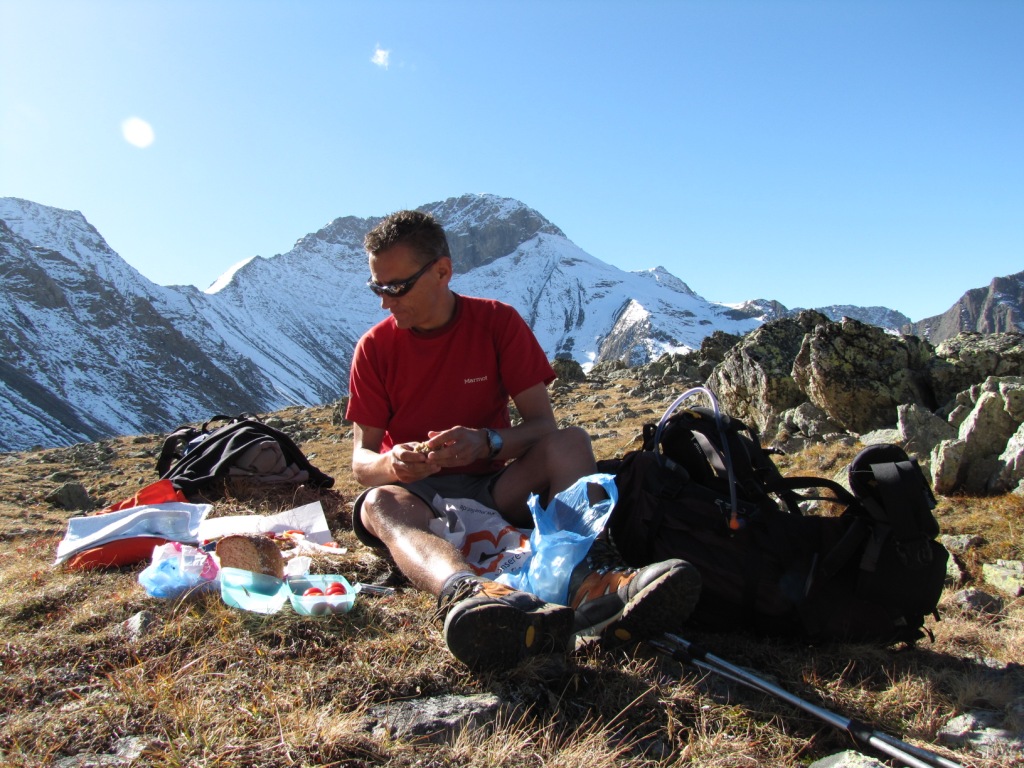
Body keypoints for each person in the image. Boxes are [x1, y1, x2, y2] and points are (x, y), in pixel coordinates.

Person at [346, 209, 701, 672]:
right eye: (378, 287)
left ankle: (585, 575)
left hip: (493, 489)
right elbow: (360, 461)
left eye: (395, 287)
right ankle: (469, 596)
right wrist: (394, 463)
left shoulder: (496, 323)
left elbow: (542, 427)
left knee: (572, 443)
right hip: (417, 497)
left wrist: (487, 443)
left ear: (442, 271)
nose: (385, 303)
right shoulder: (374, 348)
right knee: (378, 505)